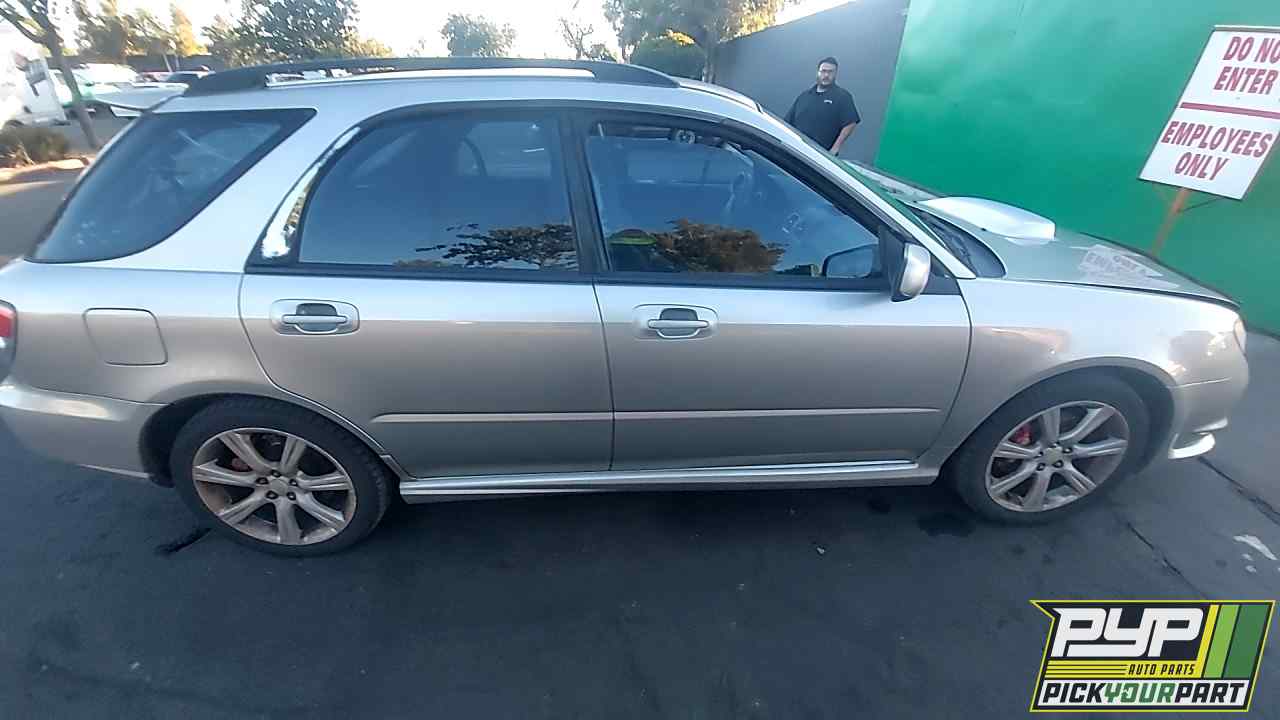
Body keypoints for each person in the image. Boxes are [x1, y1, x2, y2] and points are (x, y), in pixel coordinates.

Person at [784, 56, 861, 156]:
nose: (826, 75)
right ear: (818, 72)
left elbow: (851, 123)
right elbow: (787, 122)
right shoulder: (804, 96)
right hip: (796, 151)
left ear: (835, 74)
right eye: (823, 71)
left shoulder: (842, 96)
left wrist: (835, 148)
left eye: (830, 72)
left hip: (820, 156)